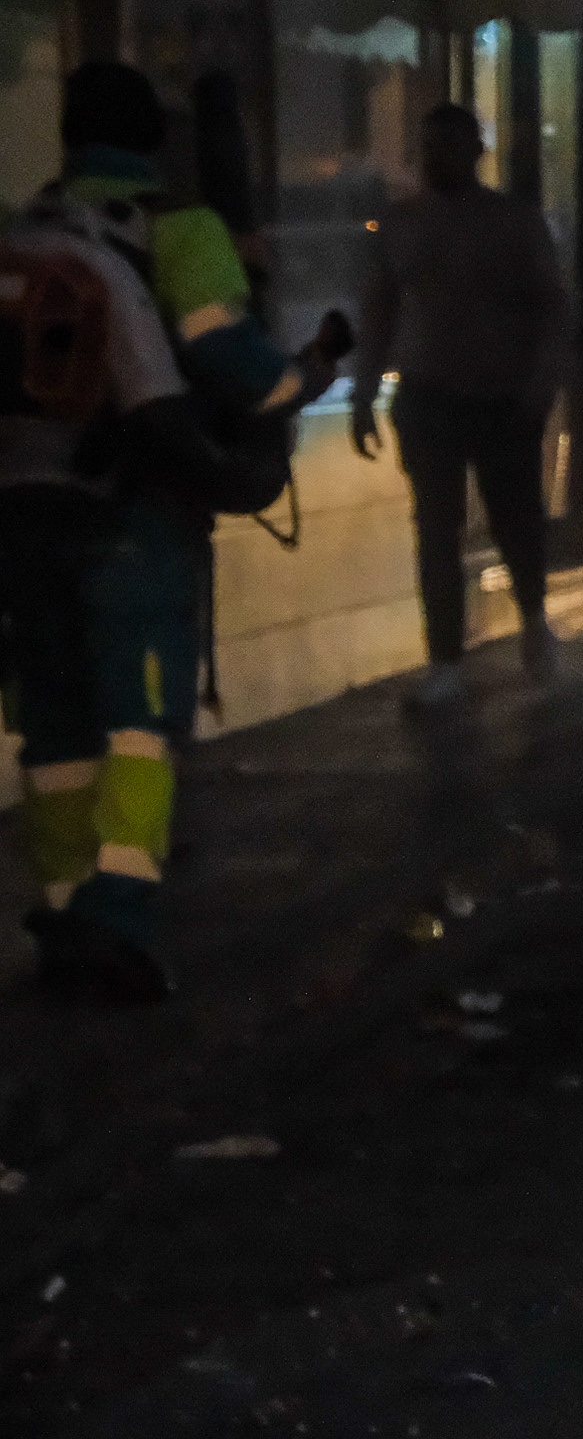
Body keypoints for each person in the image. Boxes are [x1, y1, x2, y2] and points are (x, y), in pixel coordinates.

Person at [5, 63, 338, 1003]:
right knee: (139, 725)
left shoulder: (22, 233)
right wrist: (306, 374)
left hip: (23, 520)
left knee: (54, 727)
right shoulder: (181, 232)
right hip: (133, 514)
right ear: (154, 142)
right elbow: (235, 367)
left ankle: (63, 907)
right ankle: (121, 913)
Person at [354, 102, 575, 706]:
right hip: (430, 392)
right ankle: (446, 659)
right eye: (429, 146)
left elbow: (551, 307)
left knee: (514, 520)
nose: (436, 158)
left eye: (447, 145)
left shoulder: (514, 224)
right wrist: (365, 387)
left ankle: (532, 618)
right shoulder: (399, 226)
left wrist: (539, 384)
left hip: (502, 394)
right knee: (437, 526)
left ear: (475, 151)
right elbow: (380, 311)